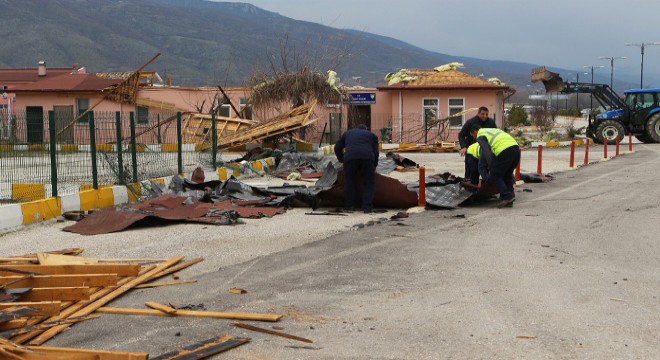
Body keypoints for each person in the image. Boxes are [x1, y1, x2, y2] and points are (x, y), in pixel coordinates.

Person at [334, 124, 379, 213]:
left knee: (350, 181)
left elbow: (337, 148)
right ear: (366, 129)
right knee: (368, 182)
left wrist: (342, 159)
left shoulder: (347, 134)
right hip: (367, 158)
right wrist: (374, 166)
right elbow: (376, 153)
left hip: (350, 159)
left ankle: (350, 206)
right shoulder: (372, 135)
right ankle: (367, 207)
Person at [475, 126, 520, 208]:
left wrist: (492, 168)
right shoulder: (492, 130)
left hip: (504, 150)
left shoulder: (480, 135)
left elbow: (487, 152)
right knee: (507, 175)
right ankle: (509, 198)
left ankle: (507, 196)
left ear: (474, 132)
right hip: (516, 149)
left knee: (495, 176)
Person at [458, 106, 497, 178]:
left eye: (486, 114)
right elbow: (461, 135)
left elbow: (495, 135)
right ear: (478, 113)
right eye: (483, 114)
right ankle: (469, 185)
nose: (485, 116)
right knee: (471, 171)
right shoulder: (470, 122)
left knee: (486, 169)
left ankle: (486, 184)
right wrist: (463, 147)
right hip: (472, 151)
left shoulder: (491, 123)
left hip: (486, 150)